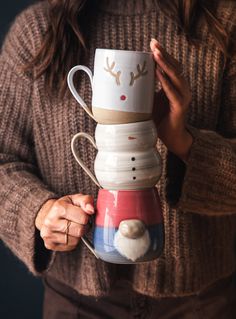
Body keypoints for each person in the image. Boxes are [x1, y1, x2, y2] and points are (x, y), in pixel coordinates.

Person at [0, 0, 235, 318]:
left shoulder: (224, 23)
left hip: (201, 302)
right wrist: (39, 211)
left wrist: (182, 140)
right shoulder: (38, 31)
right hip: (76, 304)